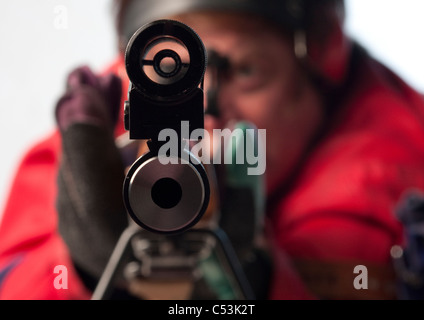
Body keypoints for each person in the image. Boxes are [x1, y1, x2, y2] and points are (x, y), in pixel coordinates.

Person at [1, 0, 424, 300]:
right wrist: (81, 269)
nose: (203, 113)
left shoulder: (402, 188)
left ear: (322, 71)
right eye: (170, 70)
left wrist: (262, 284)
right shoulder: (87, 145)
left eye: (245, 71)